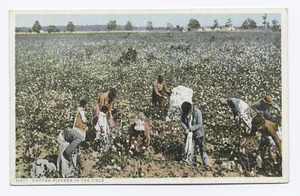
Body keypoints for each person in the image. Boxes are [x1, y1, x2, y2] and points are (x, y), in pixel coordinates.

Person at [180, 101, 210, 168]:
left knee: (202, 149)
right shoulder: (184, 111)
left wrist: (190, 129)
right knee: (192, 148)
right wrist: (185, 128)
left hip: (198, 133)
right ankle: (193, 162)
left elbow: (199, 124)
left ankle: (206, 164)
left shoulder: (197, 112)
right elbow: (182, 121)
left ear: (191, 108)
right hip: (190, 135)